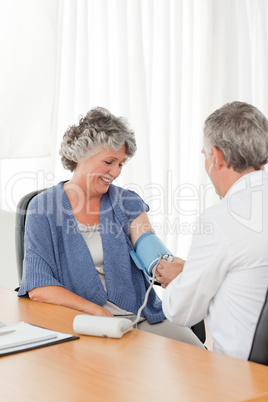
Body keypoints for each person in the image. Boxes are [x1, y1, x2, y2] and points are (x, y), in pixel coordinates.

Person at [18, 106, 203, 347]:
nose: (115, 172)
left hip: (141, 317)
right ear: (80, 154)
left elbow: (149, 247)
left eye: (121, 164)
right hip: (80, 321)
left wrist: (168, 265)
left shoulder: (126, 202)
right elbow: (39, 287)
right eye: (109, 162)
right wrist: (94, 311)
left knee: (199, 356)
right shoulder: (42, 208)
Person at [156, 101, 268, 360]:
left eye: (205, 155)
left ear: (216, 157)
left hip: (244, 380)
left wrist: (179, 278)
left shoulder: (221, 219)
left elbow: (181, 312)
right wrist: (192, 271)